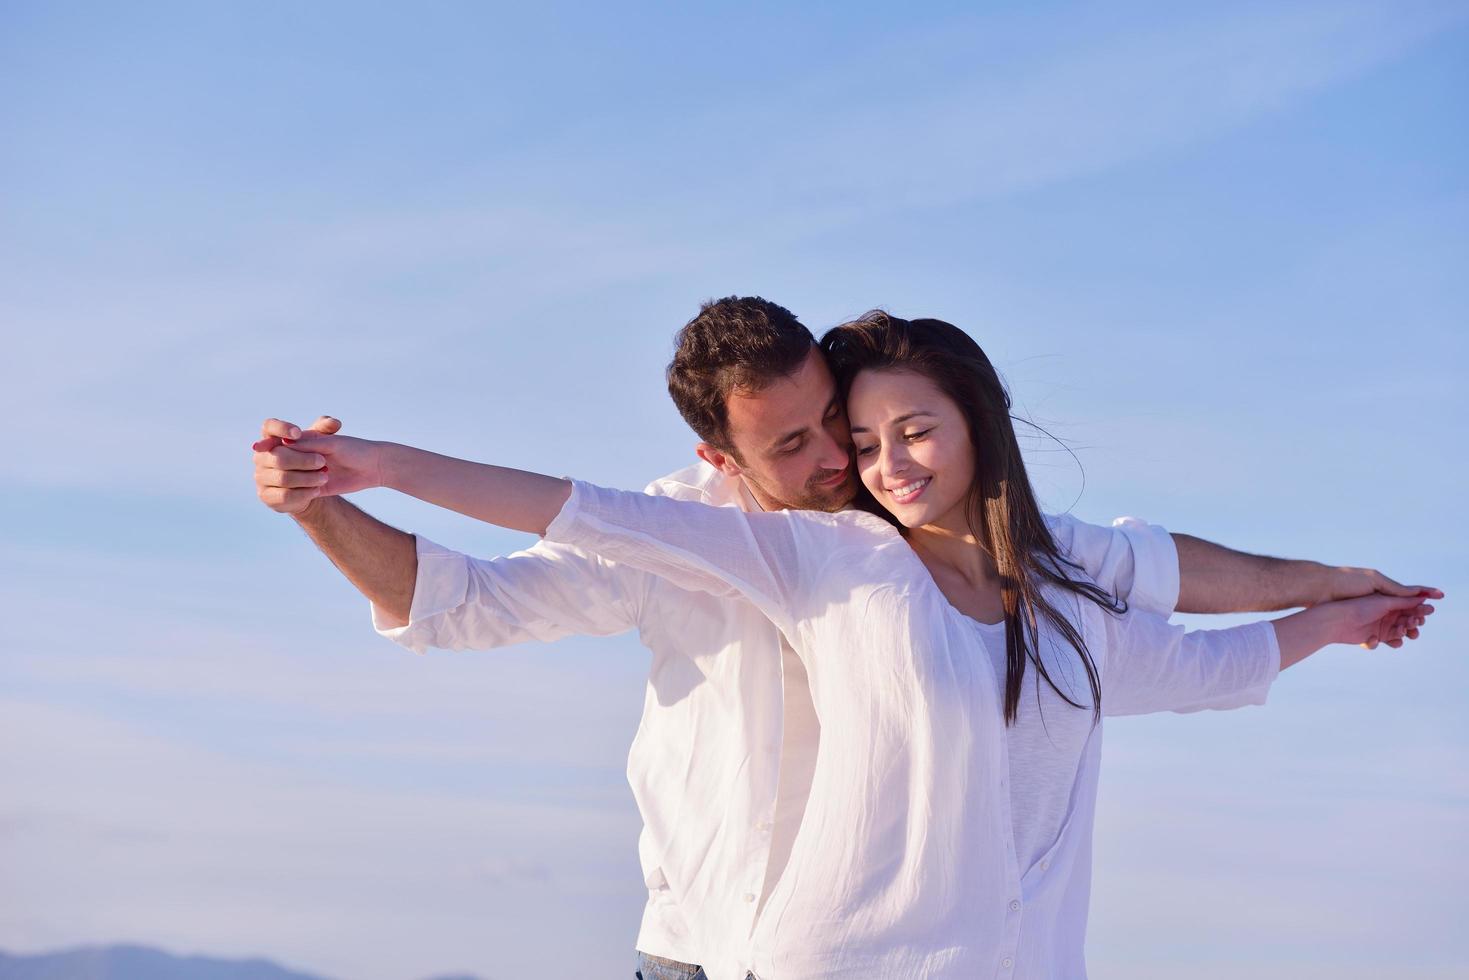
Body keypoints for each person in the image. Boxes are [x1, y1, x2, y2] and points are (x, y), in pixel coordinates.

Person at [253, 298, 1435, 979]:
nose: (846, 463)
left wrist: (1334, 598)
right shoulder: (742, 539)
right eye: (808, 445)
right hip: (714, 947)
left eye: (850, 423)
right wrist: (340, 482)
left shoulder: (1012, 567)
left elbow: (1182, 614)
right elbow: (492, 571)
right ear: (721, 457)